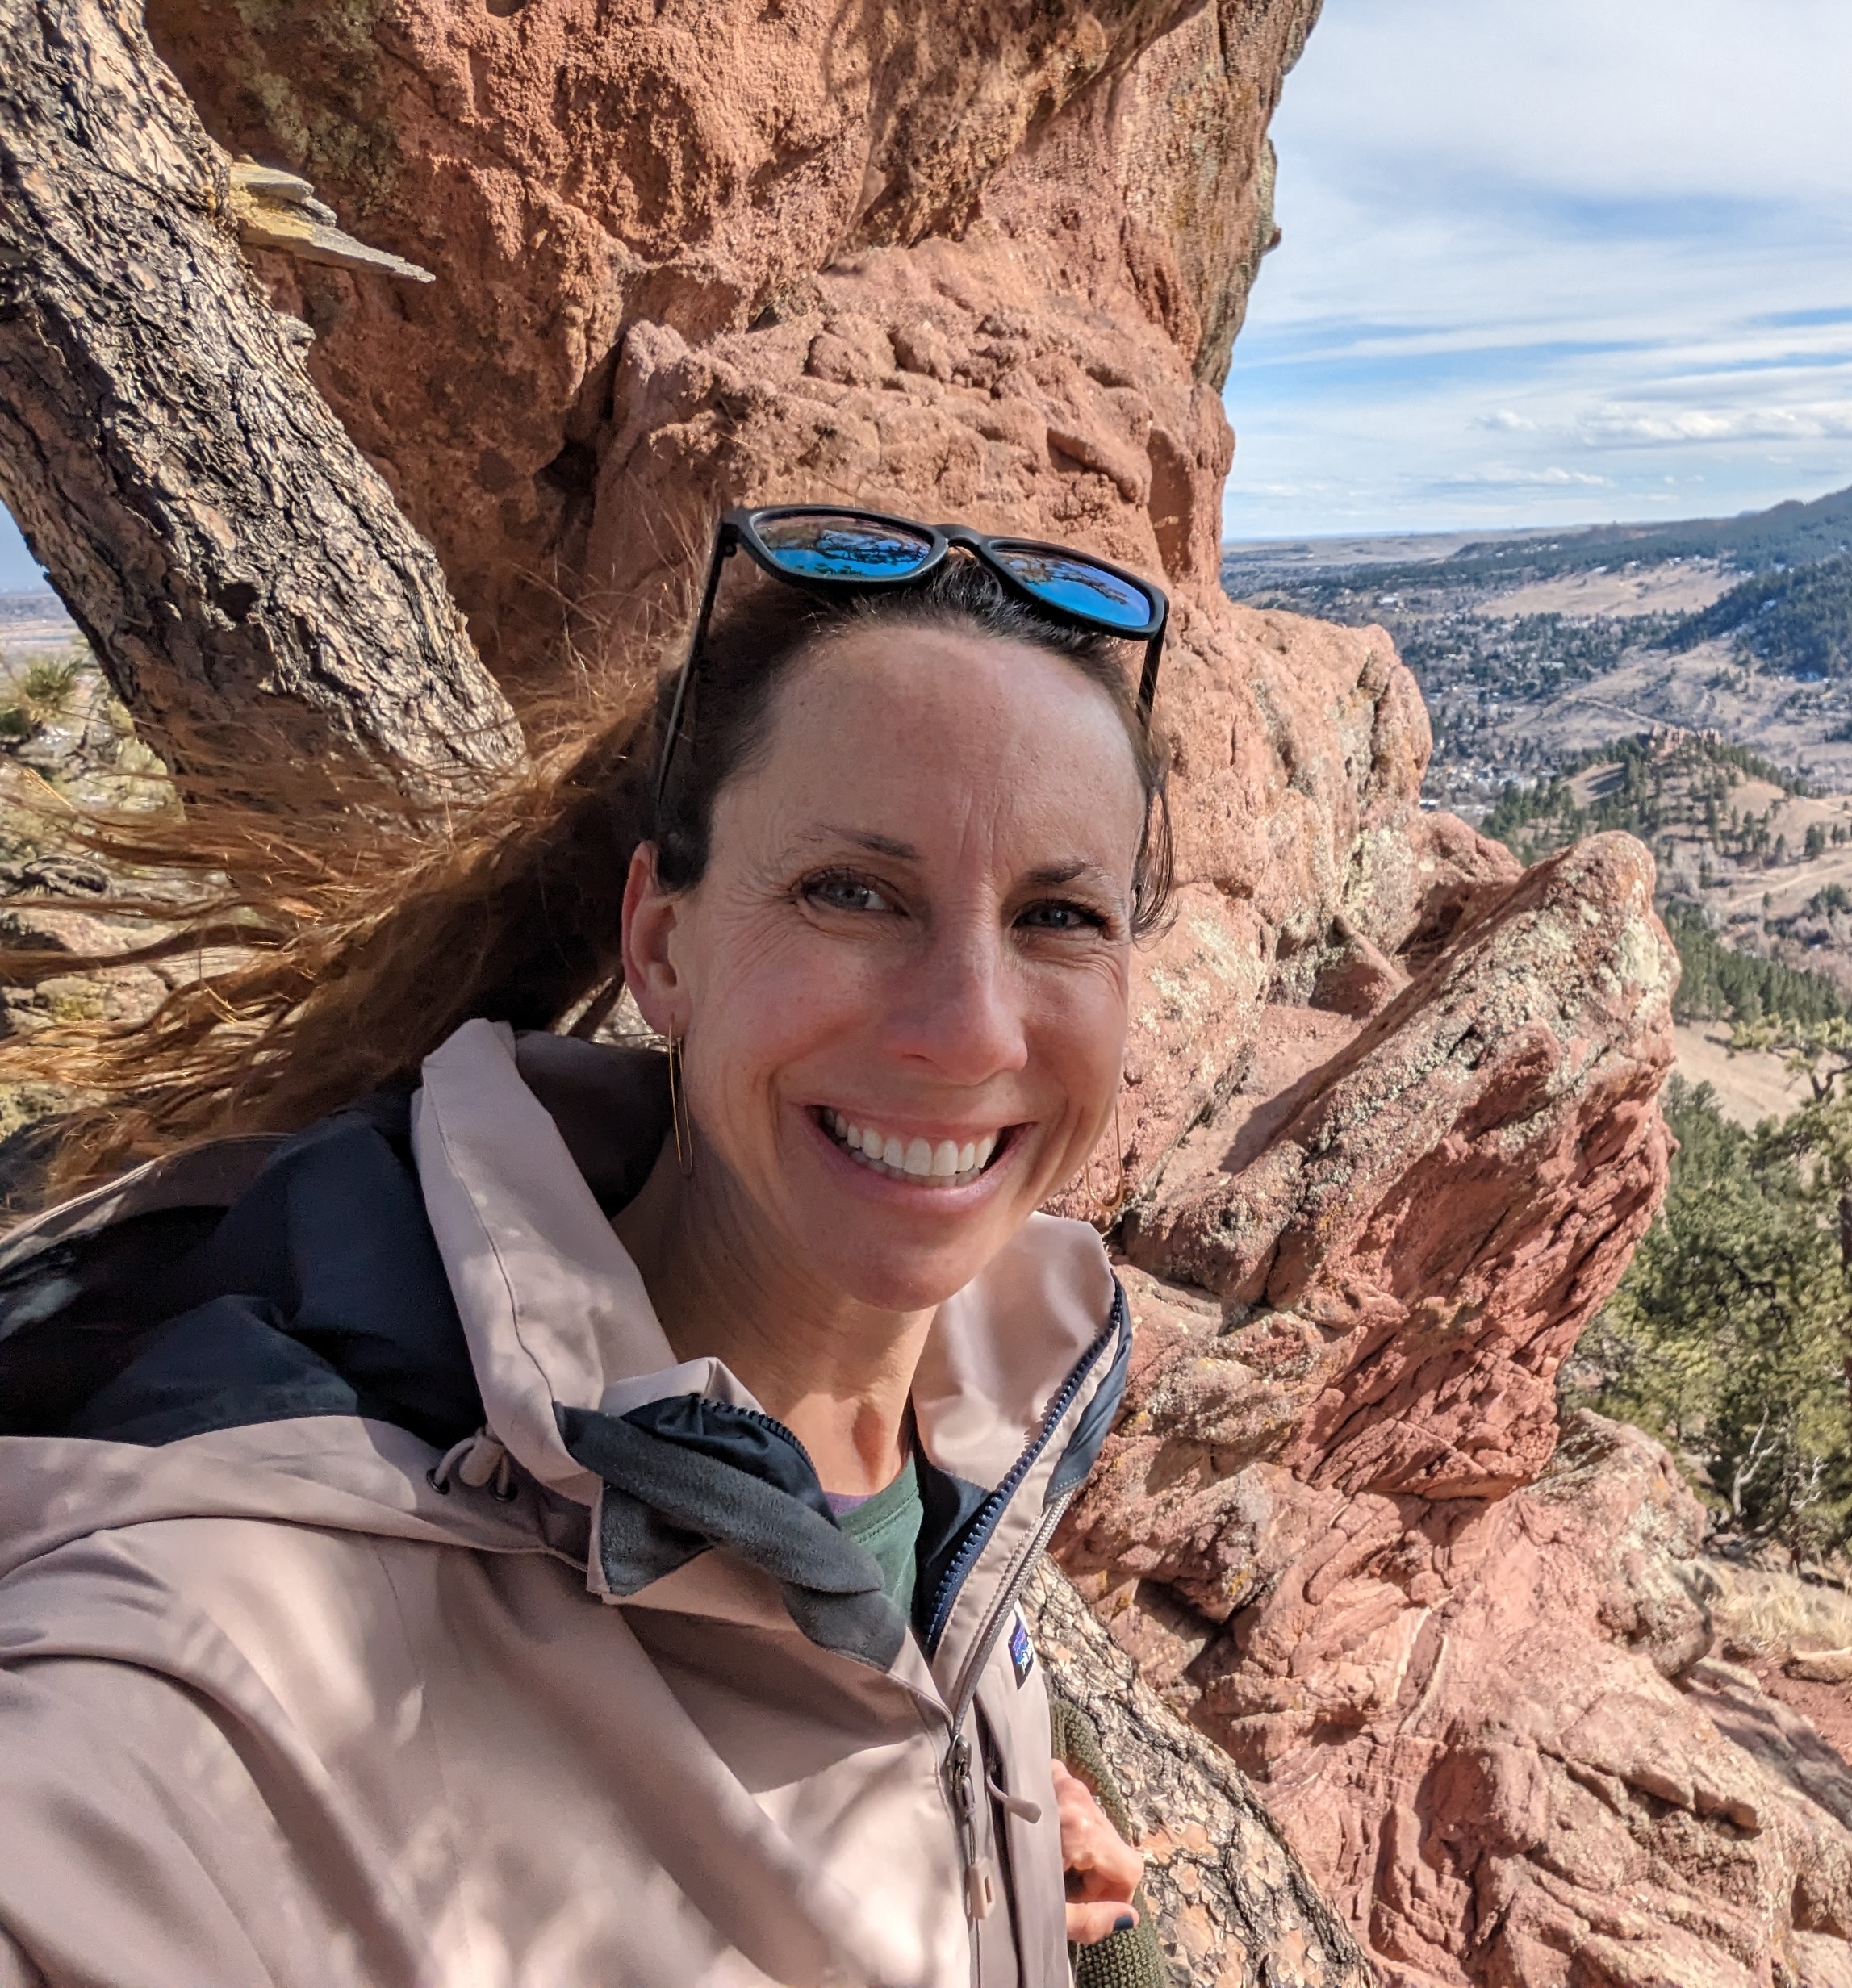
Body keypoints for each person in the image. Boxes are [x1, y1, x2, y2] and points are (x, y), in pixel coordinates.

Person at [0, 508, 1178, 1986]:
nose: (971, 1029)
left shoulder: (977, 1416)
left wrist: (978, 1850)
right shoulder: (242, 1622)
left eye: (1060, 915)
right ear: (661, 945)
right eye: (853, 893)